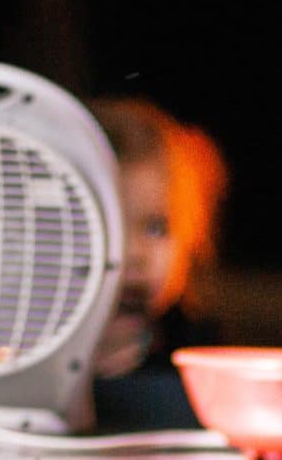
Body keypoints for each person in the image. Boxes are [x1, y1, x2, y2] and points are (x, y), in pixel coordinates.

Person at [88, 97, 230, 377]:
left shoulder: (198, 358)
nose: (135, 253)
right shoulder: (20, 352)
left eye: (156, 228)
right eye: (110, 226)